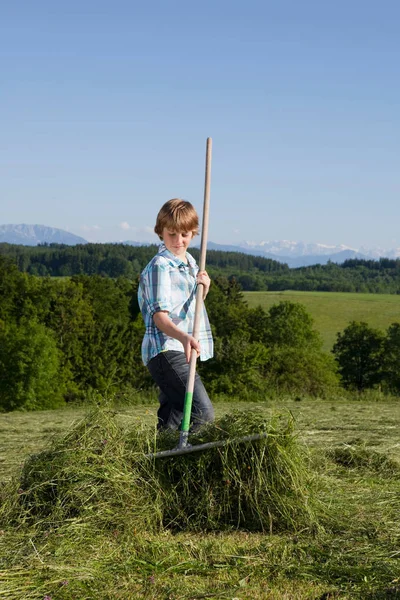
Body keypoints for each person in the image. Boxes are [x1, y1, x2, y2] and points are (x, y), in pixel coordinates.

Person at [138, 198, 215, 431]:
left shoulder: (191, 263)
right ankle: (189, 459)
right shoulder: (160, 266)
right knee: (202, 413)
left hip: (181, 347)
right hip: (166, 350)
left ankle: (160, 462)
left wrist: (204, 288)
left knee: (174, 415)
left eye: (185, 234)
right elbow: (160, 317)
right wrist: (184, 338)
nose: (178, 241)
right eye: (171, 234)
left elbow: (188, 307)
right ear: (160, 232)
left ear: (193, 233)